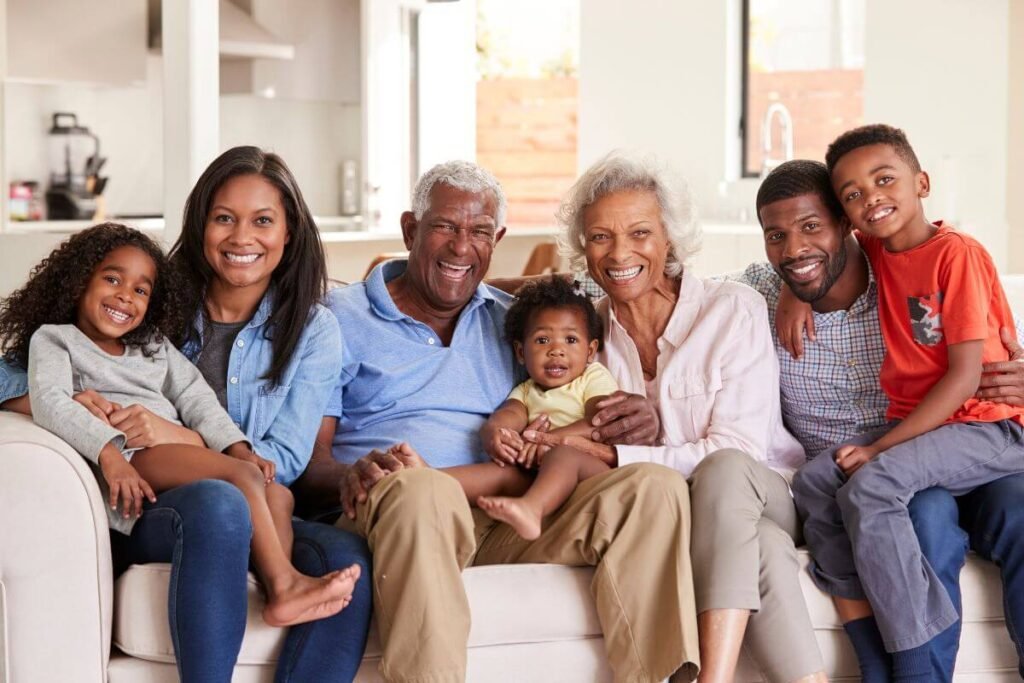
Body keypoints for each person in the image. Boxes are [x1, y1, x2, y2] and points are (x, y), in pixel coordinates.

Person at [292, 159, 698, 683]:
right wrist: (353, 474)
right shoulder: (337, 318)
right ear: (411, 230)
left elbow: (570, 373)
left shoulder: (512, 320)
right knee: (421, 490)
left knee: (654, 485)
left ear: (497, 238)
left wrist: (630, 413)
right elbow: (306, 464)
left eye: (479, 232)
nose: (463, 247)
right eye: (445, 227)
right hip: (401, 510)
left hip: (505, 514)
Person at [0, 146, 373, 683]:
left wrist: (187, 439)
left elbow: (283, 458)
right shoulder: (150, 299)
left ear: (288, 233)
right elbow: (14, 373)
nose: (242, 237)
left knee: (345, 556)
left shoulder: (312, 330)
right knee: (220, 499)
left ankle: (284, 581)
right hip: (147, 497)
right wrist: (67, 400)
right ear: (201, 226)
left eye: (263, 221)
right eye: (225, 218)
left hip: (247, 491)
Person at [524, 152, 823, 683]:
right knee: (767, 554)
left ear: (670, 240)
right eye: (599, 237)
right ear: (583, 249)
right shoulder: (585, 339)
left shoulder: (732, 310)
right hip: (685, 521)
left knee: (727, 470)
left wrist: (618, 453)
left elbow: (740, 450)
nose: (619, 253)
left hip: (766, 493)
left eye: (640, 232)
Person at [745, 157, 1024, 681]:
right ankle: (906, 671)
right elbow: (654, 288)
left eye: (811, 228)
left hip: (966, 443)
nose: (795, 247)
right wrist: (792, 284)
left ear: (847, 227)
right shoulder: (763, 288)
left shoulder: (909, 266)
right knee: (926, 516)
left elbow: (986, 345)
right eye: (777, 236)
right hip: (891, 468)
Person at [473, 276, 619, 539]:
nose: (556, 351)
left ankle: (531, 509)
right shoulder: (527, 390)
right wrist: (496, 434)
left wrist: (549, 441)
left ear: (590, 350)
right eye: (542, 341)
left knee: (563, 455)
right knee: (499, 471)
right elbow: (509, 415)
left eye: (571, 340)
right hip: (537, 472)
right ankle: (428, 479)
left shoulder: (592, 377)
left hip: (589, 471)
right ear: (520, 352)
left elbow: (599, 421)